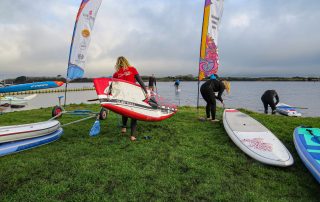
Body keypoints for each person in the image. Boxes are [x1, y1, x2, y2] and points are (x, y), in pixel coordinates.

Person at [113, 56, 148, 141]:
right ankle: (132, 136)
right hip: (133, 94)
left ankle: (124, 128)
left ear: (118, 63)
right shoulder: (132, 69)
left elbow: (114, 86)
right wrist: (146, 91)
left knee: (124, 111)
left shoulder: (117, 73)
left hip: (123, 95)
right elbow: (140, 81)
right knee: (133, 114)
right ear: (126, 61)